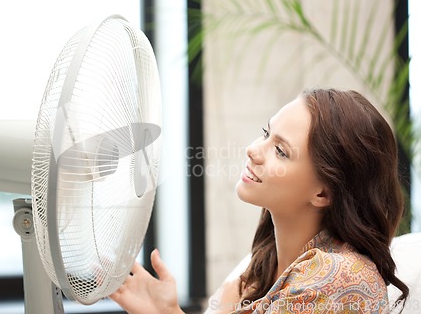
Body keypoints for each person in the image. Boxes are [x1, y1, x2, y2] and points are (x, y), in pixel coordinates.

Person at [109, 87, 409, 314]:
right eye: (266, 133)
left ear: (323, 193)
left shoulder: (342, 278)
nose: (253, 149)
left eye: (281, 151)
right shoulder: (260, 269)